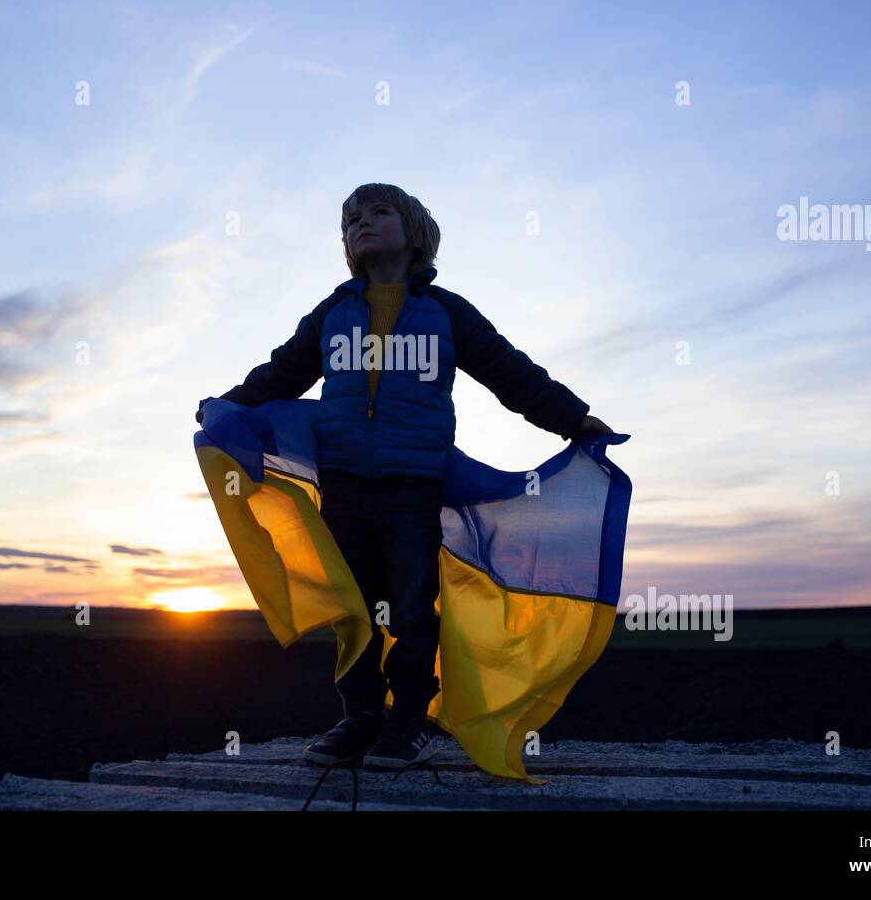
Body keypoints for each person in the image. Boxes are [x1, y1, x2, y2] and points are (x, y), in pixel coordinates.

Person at [198, 182, 610, 769]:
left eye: (377, 213)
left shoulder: (446, 313)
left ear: (413, 231)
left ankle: (408, 720)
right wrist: (228, 407)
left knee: (413, 607)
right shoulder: (332, 313)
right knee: (356, 608)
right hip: (342, 484)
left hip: (414, 485)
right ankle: (360, 715)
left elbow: (511, 372)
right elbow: (282, 372)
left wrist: (572, 418)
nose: (360, 225)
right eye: (349, 222)